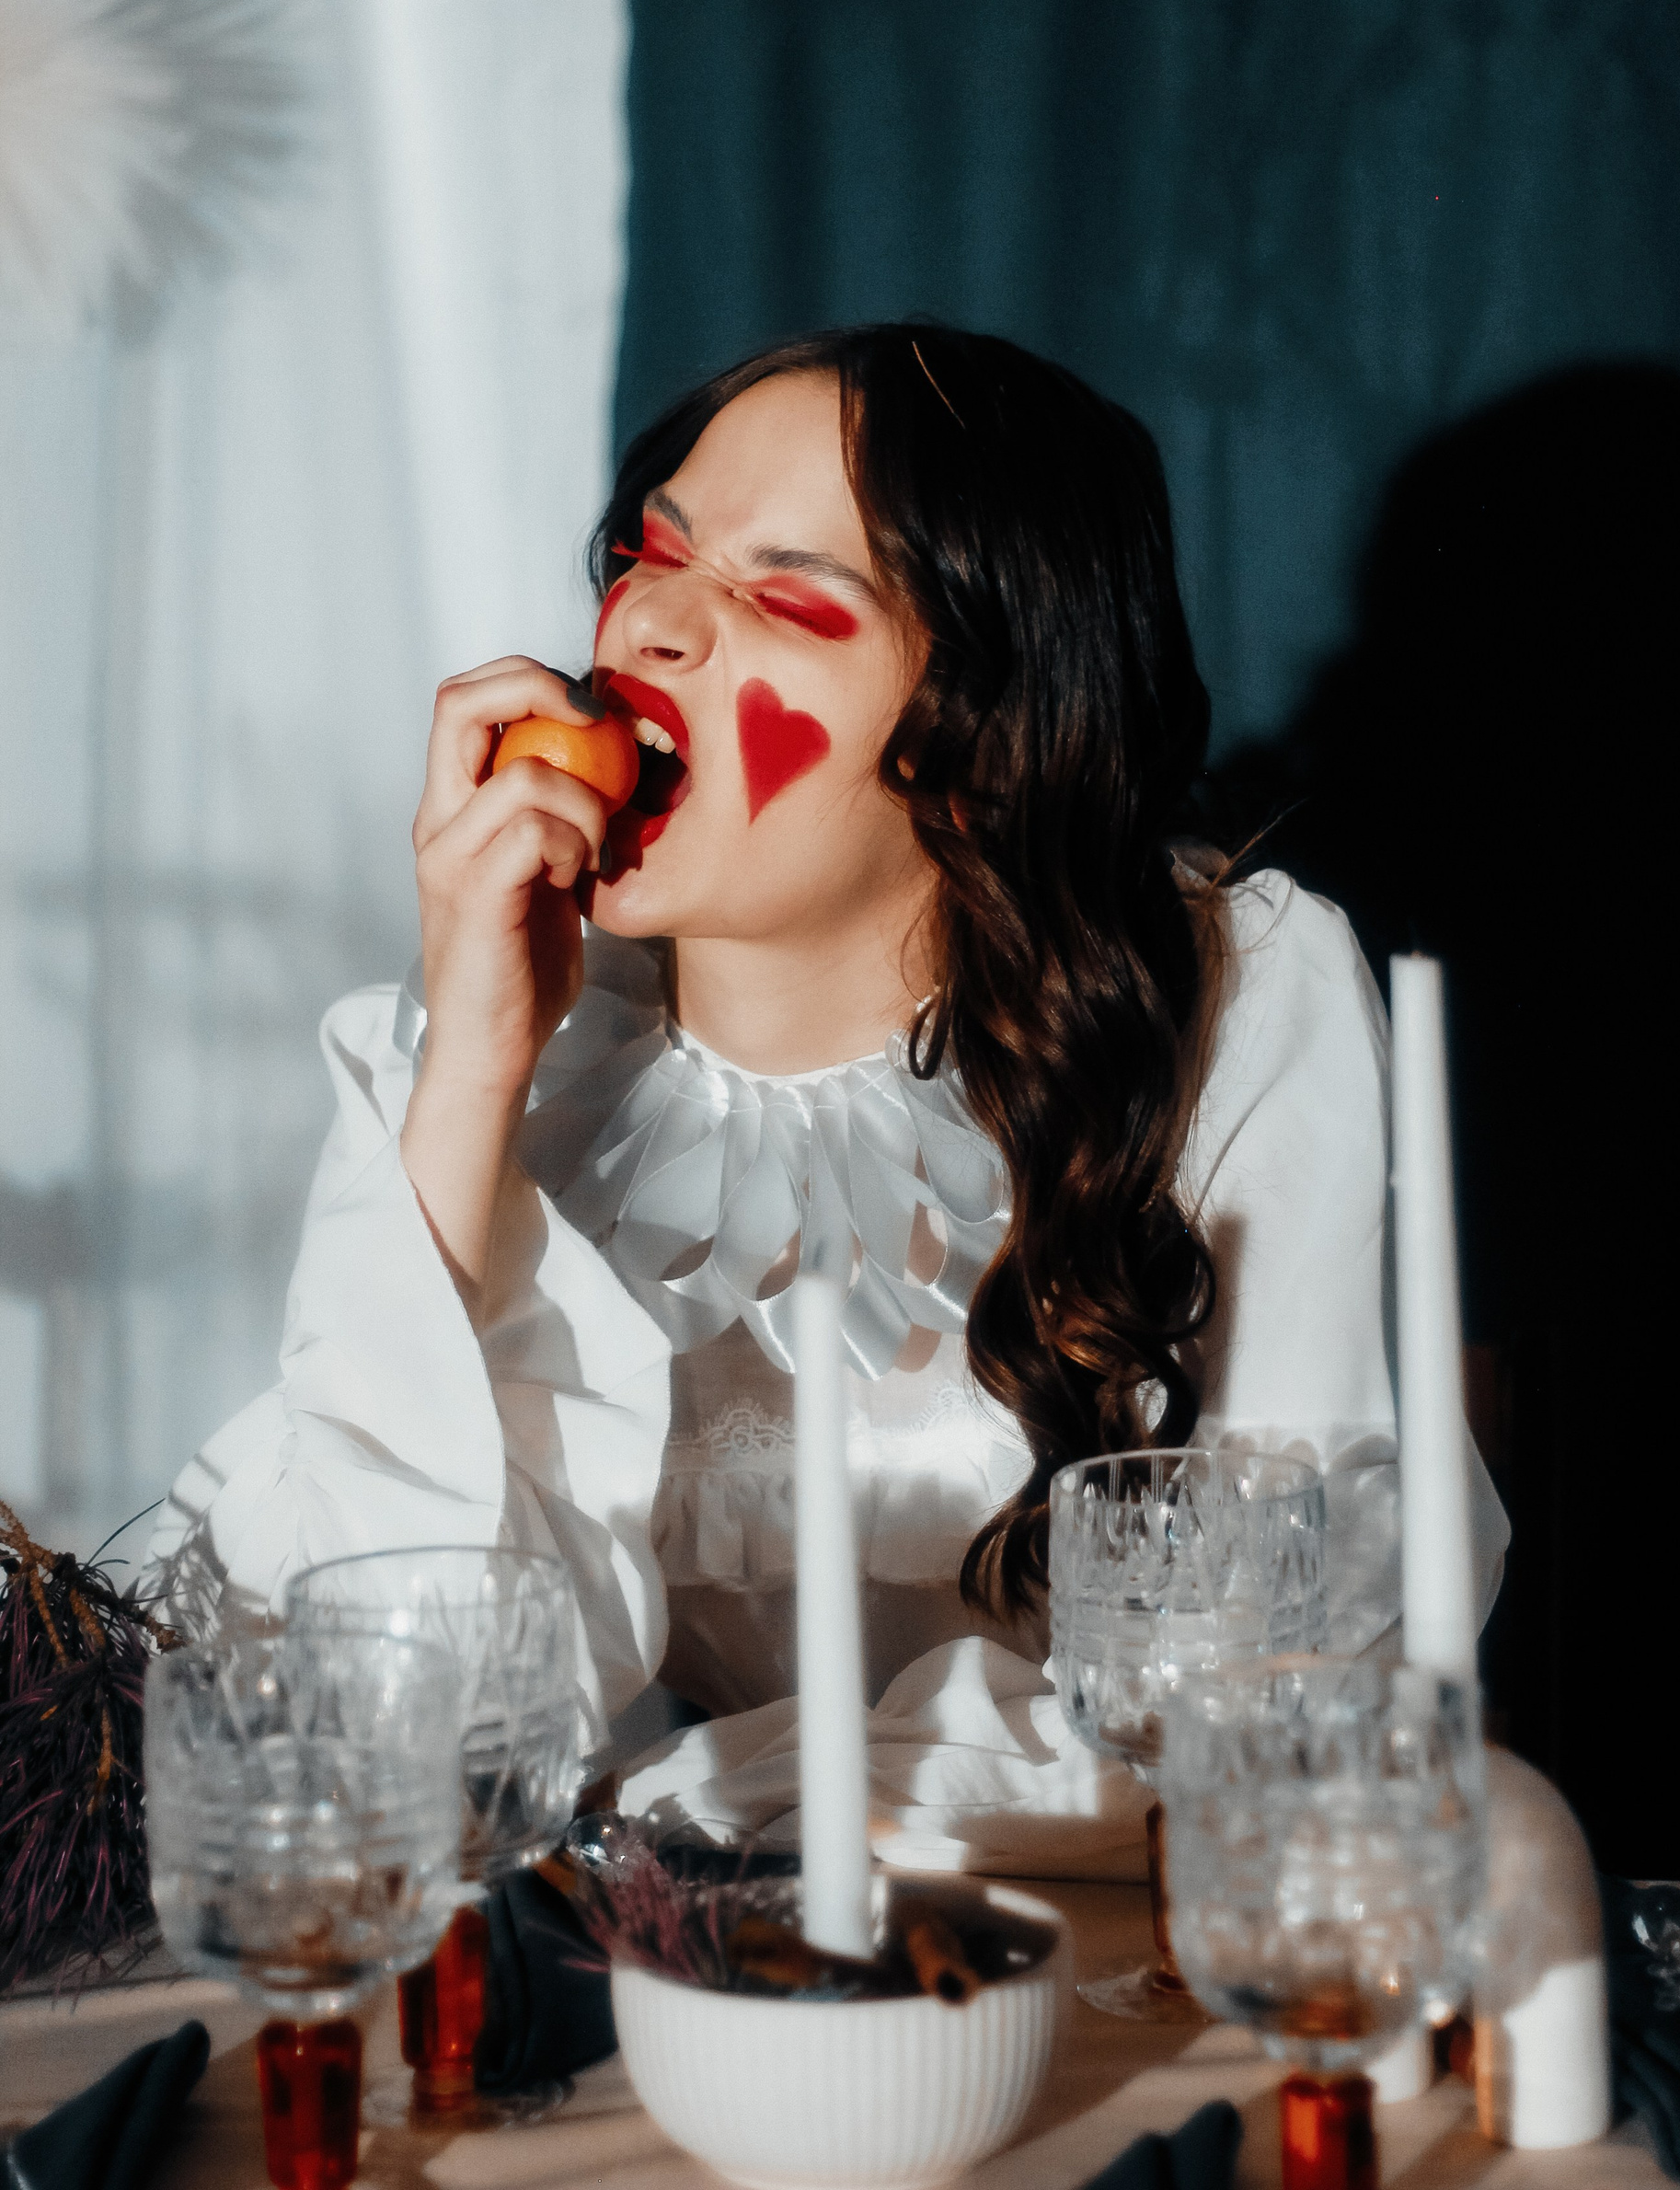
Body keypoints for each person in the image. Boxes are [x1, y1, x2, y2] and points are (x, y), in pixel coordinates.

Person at [147, 324, 1506, 1874]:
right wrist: (468, 1072)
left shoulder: (1233, 997)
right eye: (653, 552)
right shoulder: (506, 1039)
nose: (648, 622)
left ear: (985, 741)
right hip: (680, 1961)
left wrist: (688, 1801)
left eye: (783, 596)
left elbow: (1283, 1687)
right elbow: (381, 1735)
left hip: (1118, 1960)